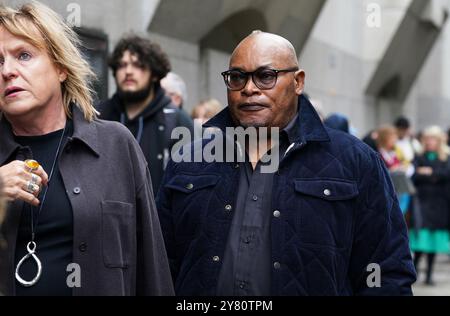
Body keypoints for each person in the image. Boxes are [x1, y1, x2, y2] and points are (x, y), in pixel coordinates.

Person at [156, 31, 416, 296]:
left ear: (298, 81)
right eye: (237, 77)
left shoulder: (355, 161)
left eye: (266, 76)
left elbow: (385, 270)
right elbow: (160, 266)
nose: (249, 88)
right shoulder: (188, 161)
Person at [0, 2, 173, 296]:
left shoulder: (116, 145)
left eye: (24, 56)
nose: (7, 71)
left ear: (61, 67)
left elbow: (151, 267)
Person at [98, 36, 194, 193]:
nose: (128, 71)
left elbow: (188, 184)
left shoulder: (177, 121)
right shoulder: (98, 116)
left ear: (155, 74)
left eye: (138, 65)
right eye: (122, 65)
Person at [410, 126, 450, 286]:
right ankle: (414, 270)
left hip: (440, 203)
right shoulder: (418, 156)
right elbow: (413, 175)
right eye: (427, 139)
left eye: (433, 139)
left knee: (433, 240)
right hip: (422, 201)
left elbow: (445, 175)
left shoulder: (445, 157)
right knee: (420, 237)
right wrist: (430, 175)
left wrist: (429, 173)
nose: (429, 142)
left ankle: (429, 274)